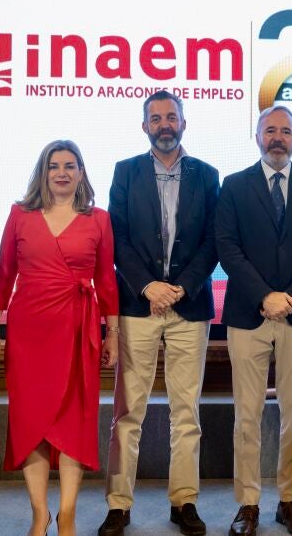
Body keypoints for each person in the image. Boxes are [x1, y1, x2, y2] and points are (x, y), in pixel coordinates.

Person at [0, 140, 119, 536]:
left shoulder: (99, 219)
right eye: (54, 165)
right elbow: (3, 274)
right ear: (43, 173)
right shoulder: (20, 215)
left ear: (81, 173)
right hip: (29, 333)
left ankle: (68, 514)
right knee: (32, 421)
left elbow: (106, 281)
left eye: (69, 166)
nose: (62, 172)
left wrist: (112, 334)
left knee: (75, 422)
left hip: (77, 331)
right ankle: (39, 513)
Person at [100, 91, 220, 536]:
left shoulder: (207, 175)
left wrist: (181, 287)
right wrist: (147, 286)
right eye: (156, 118)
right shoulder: (125, 171)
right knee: (127, 413)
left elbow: (213, 240)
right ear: (144, 126)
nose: (164, 124)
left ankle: (183, 501)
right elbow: (117, 237)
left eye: (172, 117)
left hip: (189, 306)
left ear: (183, 123)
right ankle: (119, 504)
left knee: (186, 412)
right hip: (137, 305)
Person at [215, 105, 292, 536]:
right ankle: (247, 502)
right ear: (257, 137)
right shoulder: (233, 186)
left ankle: (289, 500)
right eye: (270, 130)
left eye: (286, 131)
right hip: (248, 314)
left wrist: (291, 297)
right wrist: (264, 295)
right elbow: (227, 246)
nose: (278, 138)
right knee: (246, 416)